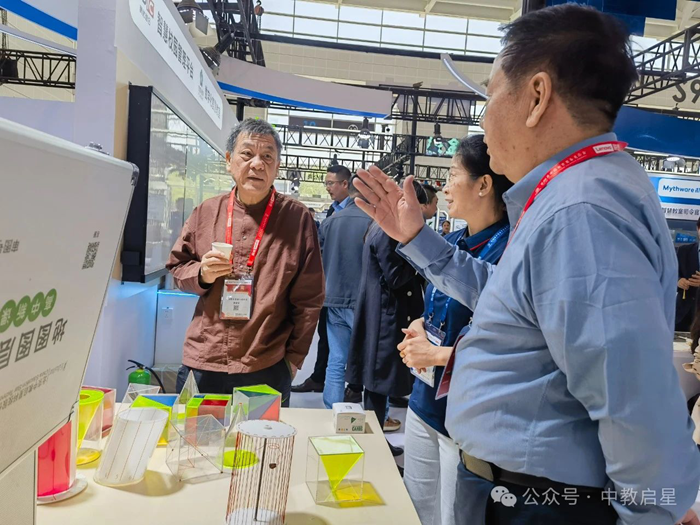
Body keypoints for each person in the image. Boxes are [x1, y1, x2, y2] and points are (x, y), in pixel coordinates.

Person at [353, 5, 700, 525]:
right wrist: (418, 240)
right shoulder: (570, 195)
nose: (483, 117)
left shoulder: (582, 210)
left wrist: (651, 513)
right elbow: (513, 301)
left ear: (536, 96)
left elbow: (632, 400)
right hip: (520, 491)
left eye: (491, 93)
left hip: (536, 502)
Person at [168, 118, 324, 406]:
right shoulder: (206, 212)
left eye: (267, 157)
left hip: (265, 362)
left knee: (262, 437)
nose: (257, 164)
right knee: (196, 434)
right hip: (205, 358)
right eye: (247, 153)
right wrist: (201, 274)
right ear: (229, 160)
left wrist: (293, 359)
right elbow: (177, 269)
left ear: (277, 167)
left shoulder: (297, 218)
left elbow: (309, 298)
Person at [398, 135, 512, 525]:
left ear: (484, 184)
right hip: (423, 400)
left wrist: (439, 355)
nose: (444, 188)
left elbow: (512, 344)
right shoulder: (449, 242)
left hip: (466, 413)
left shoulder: (511, 252)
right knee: (416, 506)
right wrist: (420, 326)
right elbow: (435, 308)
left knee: (453, 514)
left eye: (452, 175)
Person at [346, 181, 429, 434]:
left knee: (377, 380)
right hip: (386, 315)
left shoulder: (380, 226)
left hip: (382, 311)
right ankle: (376, 440)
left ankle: (377, 437)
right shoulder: (387, 231)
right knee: (378, 381)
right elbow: (395, 276)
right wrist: (423, 258)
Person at [293, 164, 352, 395]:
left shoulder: (359, 213)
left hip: (350, 288)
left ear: (344, 184)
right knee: (327, 338)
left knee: (346, 343)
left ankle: (352, 386)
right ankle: (320, 379)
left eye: (330, 183)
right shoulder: (332, 211)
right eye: (326, 183)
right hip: (330, 286)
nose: (328, 188)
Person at [319, 176, 373, 409]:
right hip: (365, 301)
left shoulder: (330, 221)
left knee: (336, 359)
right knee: (371, 360)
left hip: (333, 299)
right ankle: (376, 414)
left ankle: (332, 410)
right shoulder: (375, 221)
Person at [676, 218, 700, 331]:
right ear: (698, 228)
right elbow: (671, 275)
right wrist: (678, 281)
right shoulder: (683, 251)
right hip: (683, 314)